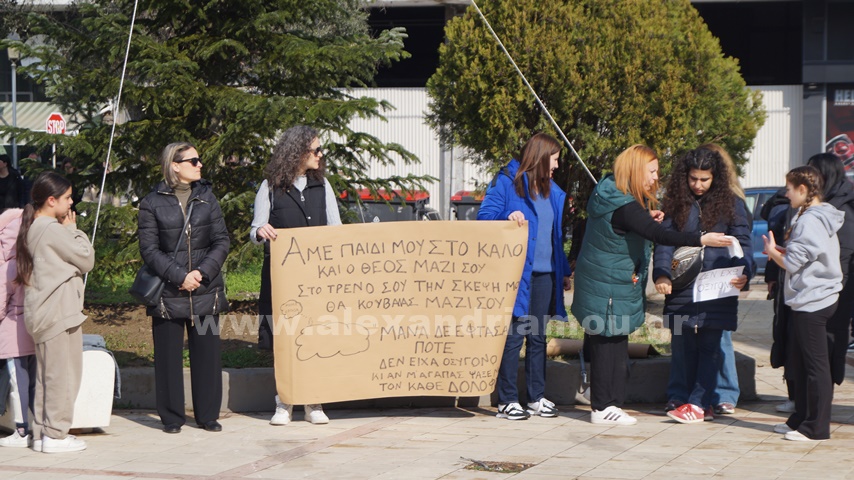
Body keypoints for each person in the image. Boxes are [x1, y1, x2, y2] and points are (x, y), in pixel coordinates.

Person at [571, 144, 731, 426]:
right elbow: (659, 235)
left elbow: (635, 225)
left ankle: (610, 404)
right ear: (636, 170)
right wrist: (700, 239)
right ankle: (602, 407)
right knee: (607, 345)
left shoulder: (611, 191)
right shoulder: (623, 204)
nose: (656, 177)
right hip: (608, 286)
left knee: (614, 342)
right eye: (652, 171)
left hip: (610, 283)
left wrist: (645, 220)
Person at [477, 133, 572, 420]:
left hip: (546, 276)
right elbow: (484, 217)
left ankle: (536, 397)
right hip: (516, 275)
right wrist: (507, 216)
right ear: (541, 158)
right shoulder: (507, 182)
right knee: (514, 336)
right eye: (554, 160)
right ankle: (507, 400)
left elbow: (555, 236)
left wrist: (564, 270)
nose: (557, 166)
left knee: (538, 337)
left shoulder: (553, 192)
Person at [654, 148, 753, 424]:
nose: (698, 185)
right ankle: (681, 397)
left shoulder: (732, 204)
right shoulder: (674, 202)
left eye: (704, 179)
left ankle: (699, 403)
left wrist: (745, 272)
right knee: (682, 341)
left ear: (715, 178)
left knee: (711, 345)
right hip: (682, 284)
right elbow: (664, 241)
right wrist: (662, 274)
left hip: (718, 285)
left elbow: (743, 243)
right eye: (693, 178)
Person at [250, 125, 340, 426]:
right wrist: (260, 231)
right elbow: (256, 229)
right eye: (316, 150)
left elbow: (336, 230)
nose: (320, 155)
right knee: (285, 339)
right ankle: (284, 402)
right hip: (283, 281)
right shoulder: (270, 187)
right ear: (297, 152)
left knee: (317, 337)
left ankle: (314, 402)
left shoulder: (322, 185)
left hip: (317, 279)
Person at [138, 142, 230, 434]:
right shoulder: (151, 203)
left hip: (205, 289)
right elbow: (149, 249)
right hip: (169, 292)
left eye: (199, 160)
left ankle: (208, 415)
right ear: (175, 165)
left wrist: (201, 273)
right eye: (193, 160)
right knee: (167, 359)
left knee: (208, 356)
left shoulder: (207, 198)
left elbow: (221, 240)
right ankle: (172, 418)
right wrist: (180, 276)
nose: (200, 164)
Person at [16, 172, 94, 453]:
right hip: (58, 312)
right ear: (51, 200)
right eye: (67, 198)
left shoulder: (35, 226)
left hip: (45, 313)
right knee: (64, 377)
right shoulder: (51, 229)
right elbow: (86, 259)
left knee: (47, 376)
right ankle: (55, 435)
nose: (71, 203)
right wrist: (73, 230)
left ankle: (42, 434)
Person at [764, 165, 842, 442]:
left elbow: (793, 263)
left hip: (814, 300)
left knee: (814, 367)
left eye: (789, 189)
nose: (786, 194)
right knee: (801, 363)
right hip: (815, 297)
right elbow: (808, 256)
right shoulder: (818, 215)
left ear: (803, 189)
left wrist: (772, 252)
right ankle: (800, 419)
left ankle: (816, 428)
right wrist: (782, 251)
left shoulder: (810, 219)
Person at [805, 154, 854, 389]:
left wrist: (833, 285)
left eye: (813, 172)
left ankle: (825, 390)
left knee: (831, 338)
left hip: (838, 287)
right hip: (821, 285)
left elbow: (845, 251)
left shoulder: (845, 205)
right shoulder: (821, 201)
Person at [0, 208, 36, 448]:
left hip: (12, 334)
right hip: (34, 330)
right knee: (33, 383)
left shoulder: (8, 267)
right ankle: (36, 427)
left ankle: (21, 431)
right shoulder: (34, 263)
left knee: (17, 382)